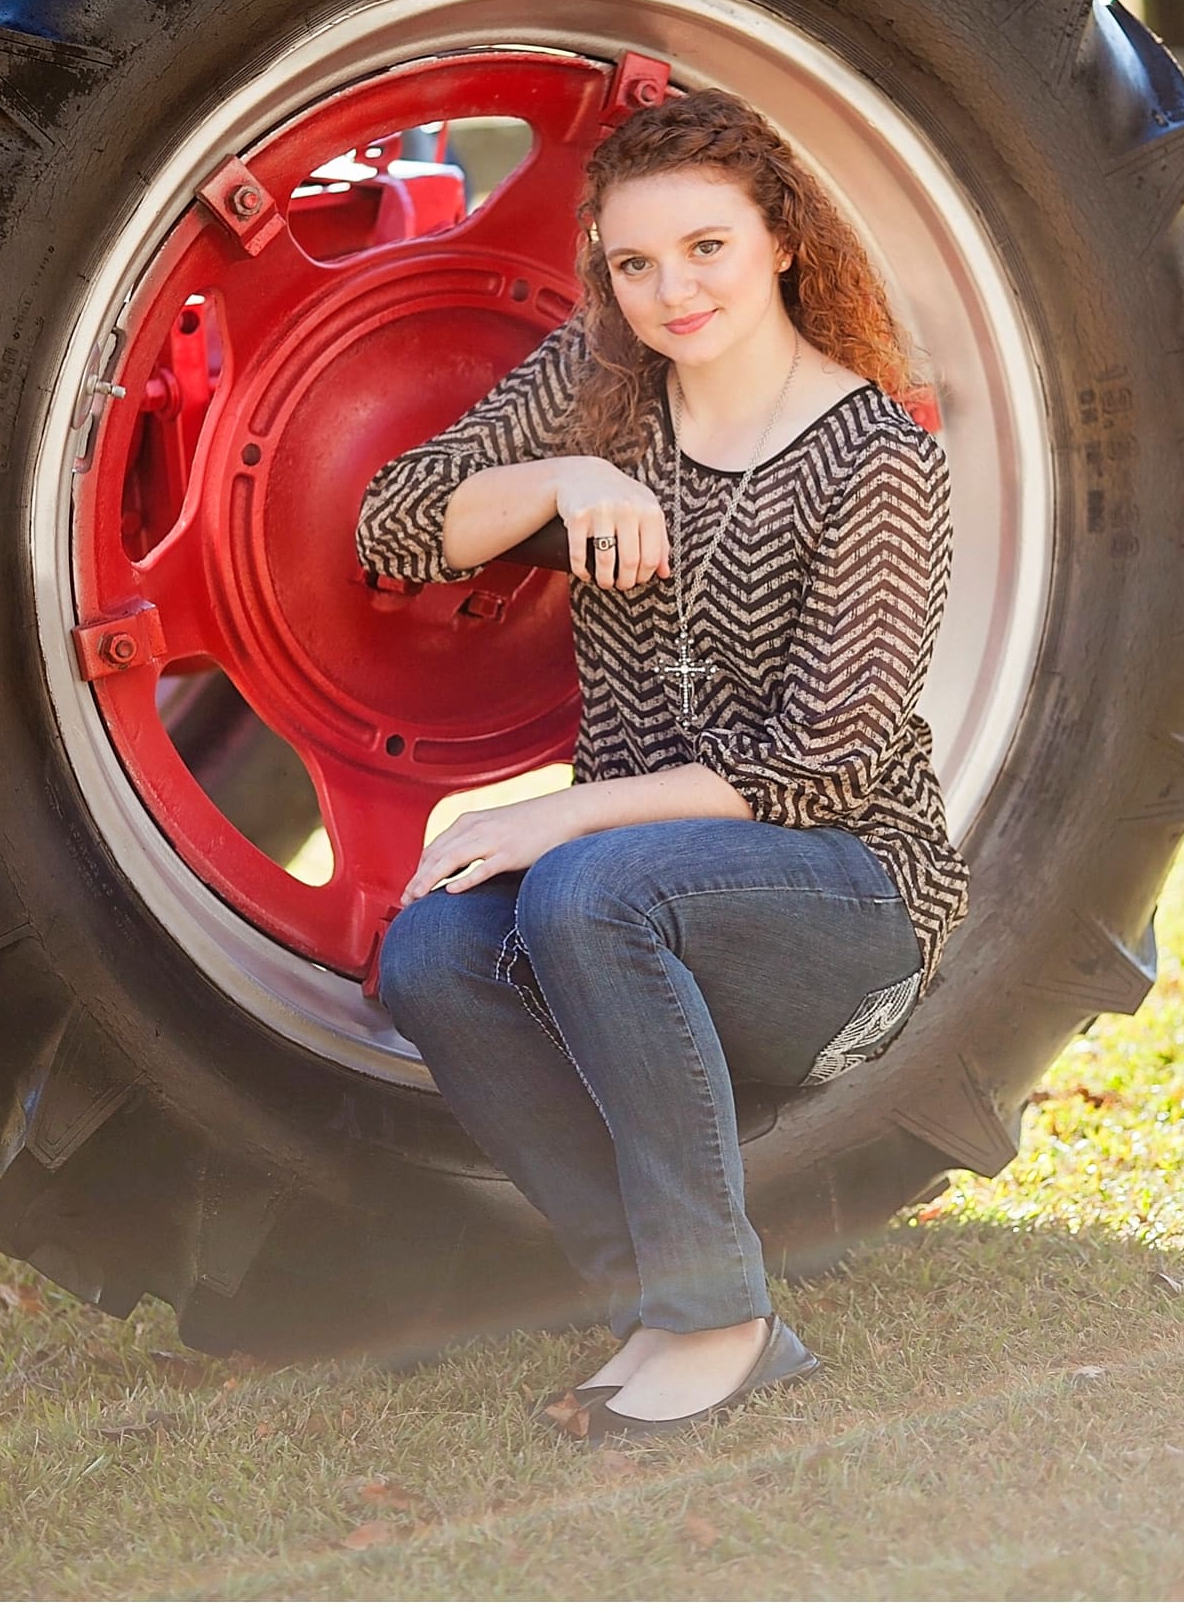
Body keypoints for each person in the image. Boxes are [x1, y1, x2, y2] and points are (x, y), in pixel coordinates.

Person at [356, 90, 964, 1443]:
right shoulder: (603, 392)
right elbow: (393, 523)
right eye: (634, 264)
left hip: (845, 910)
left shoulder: (881, 456)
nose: (670, 291)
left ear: (783, 239)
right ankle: (649, 1296)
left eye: (705, 248)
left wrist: (561, 814)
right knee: (434, 954)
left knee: (587, 885)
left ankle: (725, 1318)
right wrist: (567, 476)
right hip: (635, 895)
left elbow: (815, 768)